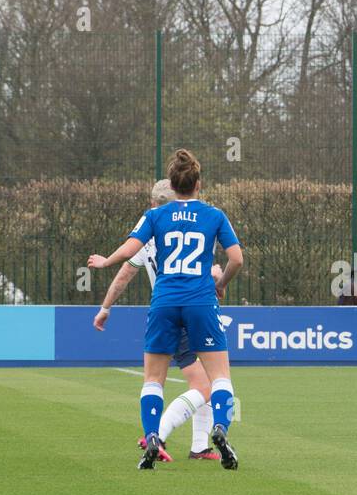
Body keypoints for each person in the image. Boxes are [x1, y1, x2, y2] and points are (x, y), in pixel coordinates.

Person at [87, 149, 243, 470]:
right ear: (197, 184)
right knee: (219, 379)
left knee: (153, 380)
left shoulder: (154, 216)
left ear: (172, 185)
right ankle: (220, 428)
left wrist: (105, 261)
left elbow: (130, 251)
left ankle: (154, 435)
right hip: (200, 302)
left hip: (164, 303)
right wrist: (221, 283)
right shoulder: (214, 215)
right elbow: (237, 259)